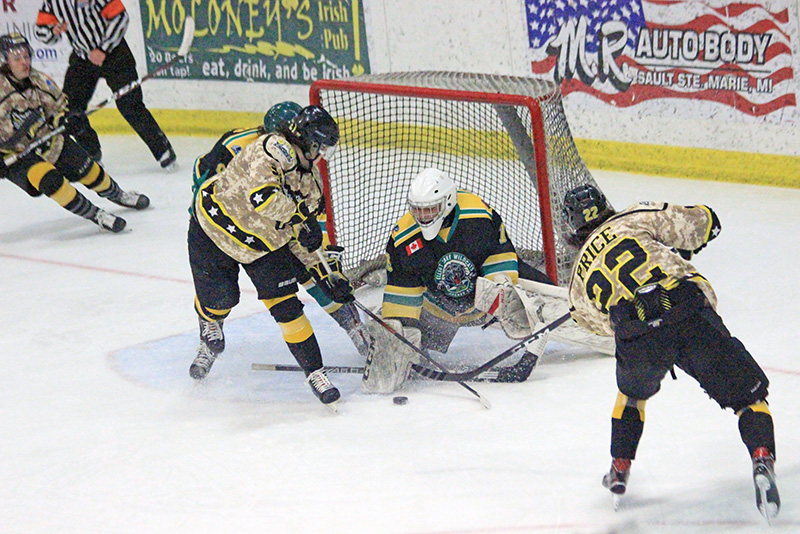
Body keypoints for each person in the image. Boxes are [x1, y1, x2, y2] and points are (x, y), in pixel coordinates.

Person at [563, 184, 779, 520]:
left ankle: (619, 467)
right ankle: (762, 458)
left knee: (632, 395)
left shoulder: (577, 277)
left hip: (636, 332)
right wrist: (700, 231)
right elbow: (701, 223)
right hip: (684, 310)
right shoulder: (632, 217)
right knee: (749, 397)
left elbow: (593, 322)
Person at [188, 104, 356, 407]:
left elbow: (302, 242)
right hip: (214, 229)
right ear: (309, 141)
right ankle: (209, 322)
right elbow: (263, 197)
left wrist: (326, 275)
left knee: (288, 307)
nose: (324, 154)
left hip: (261, 246)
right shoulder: (272, 147)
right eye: (322, 147)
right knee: (222, 300)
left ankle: (316, 373)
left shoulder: (312, 184)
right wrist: (299, 217)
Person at [363, 167, 550, 394]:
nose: (423, 216)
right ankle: (411, 346)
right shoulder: (402, 238)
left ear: (448, 202)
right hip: (438, 311)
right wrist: (399, 335)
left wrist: (501, 292)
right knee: (395, 329)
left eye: (430, 209)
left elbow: (500, 256)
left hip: (482, 302)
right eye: (417, 210)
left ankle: (555, 316)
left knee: (534, 297)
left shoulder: (478, 216)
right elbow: (402, 294)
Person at [0, 32, 148, 233]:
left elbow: (58, 108)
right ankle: (96, 215)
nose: (24, 62)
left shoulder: (38, 80)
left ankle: (118, 195)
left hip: (46, 139)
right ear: (5, 61)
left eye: (26, 56)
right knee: (50, 180)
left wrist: (65, 119)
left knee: (87, 168)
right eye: (17, 58)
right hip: (15, 155)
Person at [35, 0, 177, 170]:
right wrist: (53, 31)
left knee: (130, 105)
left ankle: (163, 150)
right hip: (83, 58)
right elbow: (40, 31)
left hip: (116, 54)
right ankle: (91, 153)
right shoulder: (54, 2)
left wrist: (103, 49)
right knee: (70, 109)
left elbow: (121, 18)